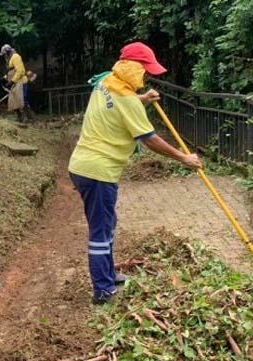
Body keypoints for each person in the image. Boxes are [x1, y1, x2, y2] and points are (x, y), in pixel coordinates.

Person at [68, 42, 203, 305]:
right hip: (98, 172)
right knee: (100, 231)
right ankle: (103, 290)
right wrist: (184, 158)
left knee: (107, 224)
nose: (146, 76)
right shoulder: (128, 100)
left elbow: (116, 105)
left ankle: (108, 275)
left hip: (84, 166)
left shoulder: (106, 81)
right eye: (145, 70)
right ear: (132, 67)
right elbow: (149, 139)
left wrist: (143, 99)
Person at [0, 44, 30, 122]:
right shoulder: (10, 59)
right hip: (15, 82)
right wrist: (4, 78)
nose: (4, 56)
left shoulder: (15, 57)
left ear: (8, 52)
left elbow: (20, 71)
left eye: (5, 54)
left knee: (22, 100)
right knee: (15, 101)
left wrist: (12, 81)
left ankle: (26, 117)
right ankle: (20, 117)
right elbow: (11, 72)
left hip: (21, 82)